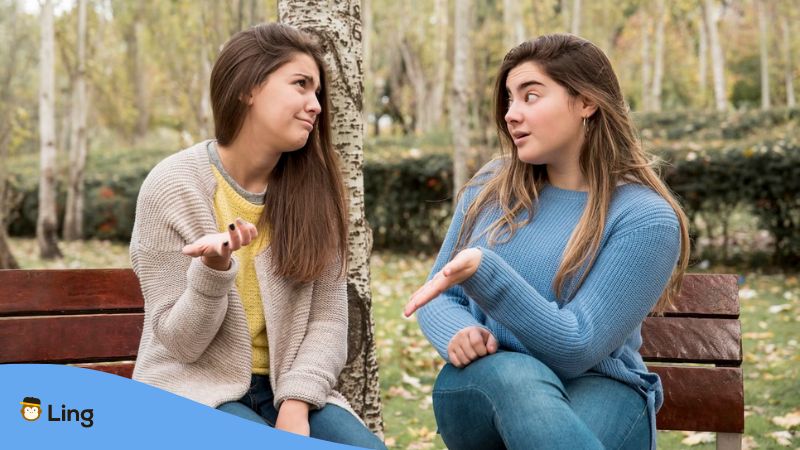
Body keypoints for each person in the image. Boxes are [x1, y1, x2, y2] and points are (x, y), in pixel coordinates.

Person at [404, 34, 690, 450]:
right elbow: (437, 292)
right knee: (516, 375)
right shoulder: (490, 188)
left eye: (530, 96)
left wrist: (487, 273)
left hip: (601, 387)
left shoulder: (644, 218)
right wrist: (459, 330)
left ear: (586, 102)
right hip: (485, 382)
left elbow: (577, 347)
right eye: (509, 100)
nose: (510, 115)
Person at [130, 23, 385, 449]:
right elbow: (180, 345)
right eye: (300, 85)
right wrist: (212, 271)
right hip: (193, 388)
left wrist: (296, 403)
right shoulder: (172, 187)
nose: (315, 105)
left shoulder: (315, 192)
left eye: (317, 92)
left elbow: (327, 322)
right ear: (249, 87)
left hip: (291, 389)